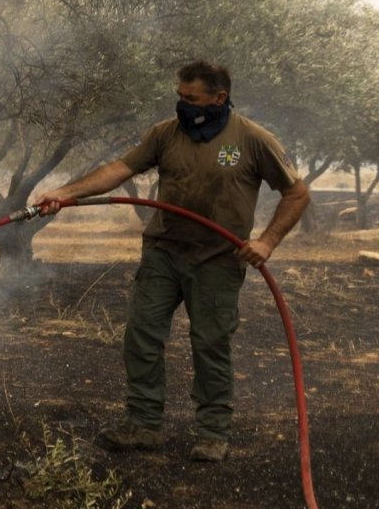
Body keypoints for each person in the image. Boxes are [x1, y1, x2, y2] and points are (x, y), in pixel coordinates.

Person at [32, 60, 310, 462]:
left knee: (210, 344)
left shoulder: (252, 139)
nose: (182, 105)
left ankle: (213, 433)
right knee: (141, 336)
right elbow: (120, 169)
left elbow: (297, 194)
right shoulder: (166, 133)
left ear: (220, 97)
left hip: (217, 258)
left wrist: (267, 242)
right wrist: (66, 192)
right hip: (163, 250)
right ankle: (143, 425)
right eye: (179, 96)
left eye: (191, 98)